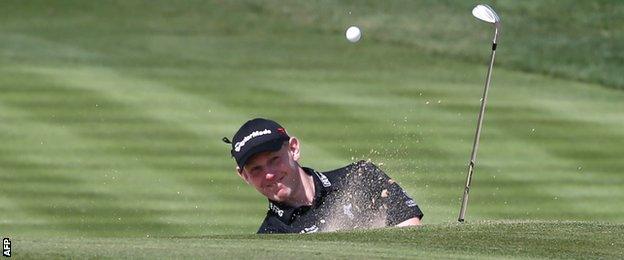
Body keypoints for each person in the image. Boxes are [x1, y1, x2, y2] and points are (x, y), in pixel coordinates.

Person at [223, 118, 423, 234]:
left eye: (274, 159)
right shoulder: (269, 237)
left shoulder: (361, 177)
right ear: (245, 177)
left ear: (294, 149)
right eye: (256, 169)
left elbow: (411, 237)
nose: (269, 174)